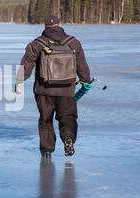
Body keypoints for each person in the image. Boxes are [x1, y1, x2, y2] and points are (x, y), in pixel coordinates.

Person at [16, 16, 91, 158]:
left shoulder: (37, 43)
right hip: (67, 89)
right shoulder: (73, 43)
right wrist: (85, 80)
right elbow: (82, 65)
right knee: (68, 117)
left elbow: (27, 63)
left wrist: (19, 81)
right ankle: (68, 139)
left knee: (45, 120)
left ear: (45, 27)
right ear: (60, 24)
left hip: (43, 90)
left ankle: (47, 151)